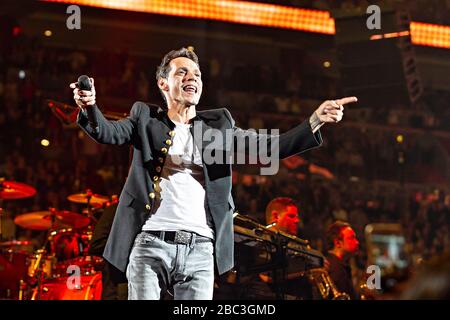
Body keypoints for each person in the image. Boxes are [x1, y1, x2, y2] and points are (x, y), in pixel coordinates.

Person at [70, 47, 356, 300]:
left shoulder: (217, 128)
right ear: (163, 83)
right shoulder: (145, 118)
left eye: (196, 73)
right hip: (150, 243)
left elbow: (270, 147)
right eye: (182, 72)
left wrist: (314, 121)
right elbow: (107, 132)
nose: (191, 77)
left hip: (200, 249)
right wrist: (90, 107)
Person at [325, 221, 360, 299]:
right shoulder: (336, 269)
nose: (357, 242)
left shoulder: (336, 264)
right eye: (352, 238)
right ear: (338, 243)